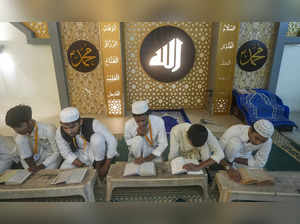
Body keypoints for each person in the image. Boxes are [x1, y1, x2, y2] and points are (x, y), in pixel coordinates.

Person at [56, 107, 118, 180]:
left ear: (80, 122)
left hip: (95, 151)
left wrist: (106, 166)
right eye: (65, 128)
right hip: (79, 153)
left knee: (97, 138)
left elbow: (112, 140)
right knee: (63, 171)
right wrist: (82, 165)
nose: (69, 131)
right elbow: (65, 152)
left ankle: (98, 169)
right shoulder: (60, 132)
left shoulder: (93, 123)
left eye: (72, 127)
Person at [5, 105, 62, 172]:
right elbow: (23, 158)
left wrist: (42, 166)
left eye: (19, 126)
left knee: (45, 174)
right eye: (13, 127)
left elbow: (57, 153)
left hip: (51, 161)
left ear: (29, 121)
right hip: (35, 163)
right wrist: (30, 169)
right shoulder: (20, 136)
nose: (16, 130)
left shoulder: (48, 129)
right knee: (20, 139)